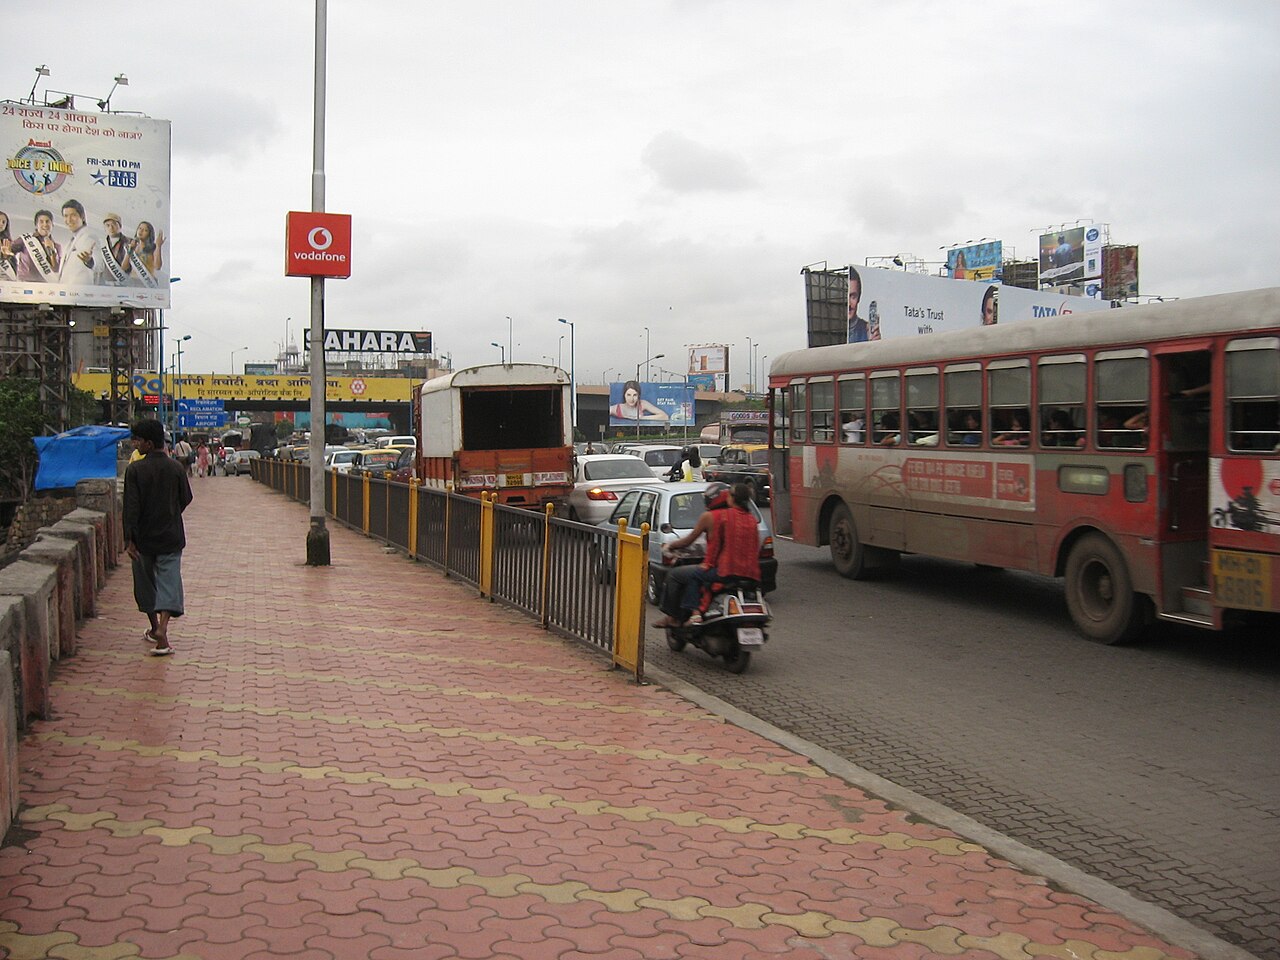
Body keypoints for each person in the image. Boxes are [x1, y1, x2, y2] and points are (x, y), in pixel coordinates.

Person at [123, 418, 193, 657]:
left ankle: (154, 626)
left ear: (149, 444)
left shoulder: (135, 470)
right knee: (169, 581)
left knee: (145, 584)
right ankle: (163, 630)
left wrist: (130, 540)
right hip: (171, 537)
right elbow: (186, 498)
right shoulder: (175, 468)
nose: (135, 444)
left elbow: (130, 508)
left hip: (143, 539)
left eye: (138, 440)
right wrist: (171, 514)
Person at [653, 483, 760, 628]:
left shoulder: (722, 517)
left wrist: (708, 564)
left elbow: (715, 544)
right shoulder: (752, 519)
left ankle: (687, 615)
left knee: (689, 574)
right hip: (751, 574)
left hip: (727, 571)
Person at [15, 209, 61, 282]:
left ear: (52, 225)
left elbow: (56, 270)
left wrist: (51, 251)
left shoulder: (57, 246)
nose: (45, 224)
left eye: (47, 221)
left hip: (46, 285)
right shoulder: (25, 240)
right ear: (36, 225)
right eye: (41, 221)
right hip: (25, 283)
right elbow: (9, 251)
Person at [58, 199, 97, 285]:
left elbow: (99, 265)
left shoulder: (90, 236)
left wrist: (90, 261)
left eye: (73, 215)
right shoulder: (72, 240)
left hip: (81, 293)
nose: (69, 220)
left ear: (82, 217)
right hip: (67, 292)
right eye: (65, 216)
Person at [97, 212, 131, 285]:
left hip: (123, 285)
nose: (111, 228)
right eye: (108, 225)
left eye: (114, 224)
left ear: (120, 226)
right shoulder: (102, 244)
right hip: (105, 285)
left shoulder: (129, 242)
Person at [127, 220, 165, 284]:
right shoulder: (131, 245)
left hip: (148, 282)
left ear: (149, 234)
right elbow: (124, 267)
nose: (141, 231)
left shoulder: (153, 247)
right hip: (132, 281)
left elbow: (158, 267)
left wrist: (158, 246)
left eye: (145, 230)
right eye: (140, 228)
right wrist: (130, 250)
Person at [847, 267, 868, 343]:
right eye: (845, 297)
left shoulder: (866, 331)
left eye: (853, 297)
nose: (848, 304)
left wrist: (876, 345)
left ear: (859, 298)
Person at [0, 210, 16, 280]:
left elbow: (14, 265)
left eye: (4, 222)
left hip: (5, 279)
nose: (1, 224)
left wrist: (6, 257)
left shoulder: (7, 242)